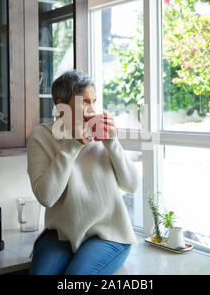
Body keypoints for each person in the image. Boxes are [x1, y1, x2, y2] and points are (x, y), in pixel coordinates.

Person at [26, 70, 139, 275]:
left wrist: (112, 143)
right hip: (62, 234)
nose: (92, 110)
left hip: (108, 234)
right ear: (61, 106)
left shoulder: (101, 136)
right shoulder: (41, 137)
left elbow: (132, 185)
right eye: (84, 102)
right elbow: (46, 197)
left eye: (93, 101)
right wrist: (72, 145)